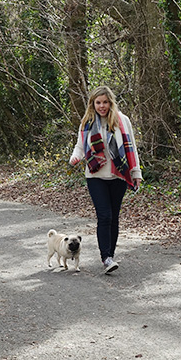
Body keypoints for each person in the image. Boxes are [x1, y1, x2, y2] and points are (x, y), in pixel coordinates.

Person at [69, 85, 142, 274]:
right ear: (93, 104)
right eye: (98, 102)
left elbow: (131, 147)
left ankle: (110, 255)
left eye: (105, 102)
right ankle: (106, 258)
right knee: (105, 216)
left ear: (111, 103)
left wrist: (136, 173)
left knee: (114, 217)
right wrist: (75, 157)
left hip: (118, 175)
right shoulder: (87, 122)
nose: (102, 106)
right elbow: (80, 146)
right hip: (95, 176)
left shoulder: (122, 121)